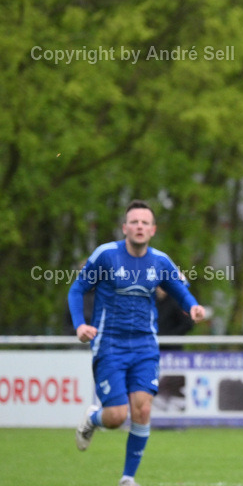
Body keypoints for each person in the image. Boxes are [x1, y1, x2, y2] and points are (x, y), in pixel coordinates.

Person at [70, 200, 208, 486]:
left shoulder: (159, 261)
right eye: (134, 221)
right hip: (109, 344)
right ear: (125, 227)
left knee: (142, 409)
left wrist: (192, 306)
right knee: (117, 417)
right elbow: (77, 289)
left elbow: (178, 289)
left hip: (145, 345)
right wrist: (80, 325)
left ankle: (128, 478)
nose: (139, 226)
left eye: (145, 222)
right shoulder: (106, 256)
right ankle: (93, 418)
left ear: (153, 229)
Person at [155, 285, 194, 351]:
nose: (160, 289)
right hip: (155, 347)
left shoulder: (176, 302)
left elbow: (187, 323)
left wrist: (171, 336)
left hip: (173, 349)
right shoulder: (151, 302)